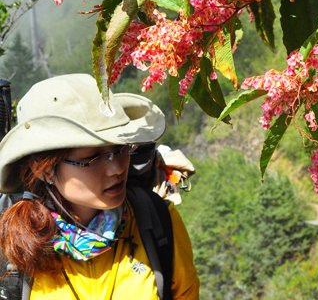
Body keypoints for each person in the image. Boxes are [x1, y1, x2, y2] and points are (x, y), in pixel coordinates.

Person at [0, 74, 200, 299]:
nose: (116, 168)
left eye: (120, 149)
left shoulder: (156, 220)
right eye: (93, 158)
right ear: (44, 170)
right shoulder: (15, 247)